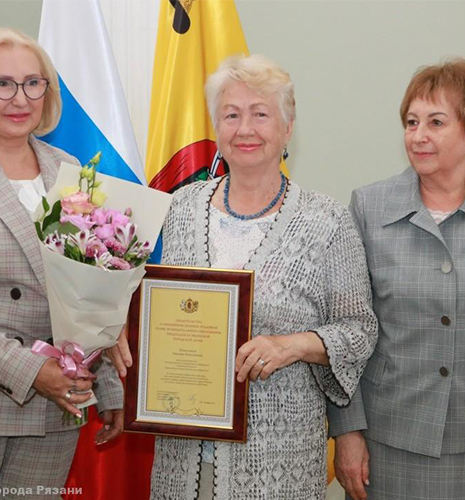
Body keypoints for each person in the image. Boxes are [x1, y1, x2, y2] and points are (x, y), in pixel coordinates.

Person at [111, 54, 378, 499]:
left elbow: (358, 330)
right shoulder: (178, 208)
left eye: (260, 114)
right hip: (181, 455)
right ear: (217, 127)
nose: (245, 129)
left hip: (278, 460)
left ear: (287, 127)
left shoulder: (327, 220)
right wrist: (123, 320)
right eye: (231, 115)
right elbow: (143, 295)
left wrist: (291, 345)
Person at [328, 58, 465, 500]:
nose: (418, 135)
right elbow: (345, 328)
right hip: (387, 441)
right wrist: (347, 431)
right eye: (411, 122)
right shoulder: (369, 207)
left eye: (436, 122)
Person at [0, 28, 123, 495]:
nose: (20, 98)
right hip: (20, 381)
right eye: (3, 84)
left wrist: (107, 388)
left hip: (55, 410)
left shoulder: (68, 168)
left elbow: (91, 287)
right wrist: (33, 371)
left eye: (33, 83)